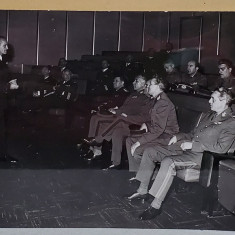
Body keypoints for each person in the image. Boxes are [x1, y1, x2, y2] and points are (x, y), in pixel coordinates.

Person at [127, 87, 235, 220]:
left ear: (224, 101)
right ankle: (142, 191)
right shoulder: (209, 115)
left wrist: (194, 145)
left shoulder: (231, 122)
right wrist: (178, 136)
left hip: (202, 157)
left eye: (213, 98)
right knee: (150, 151)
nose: (209, 101)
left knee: (168, 162)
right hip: (186, 149)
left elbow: (221, 148)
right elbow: (192, 134)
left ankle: (155, 206)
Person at [85, 75, 153, 167]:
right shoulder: (133, 94)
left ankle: (97, 140)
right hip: (126, 119)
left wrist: (125, 116)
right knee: (117, 131)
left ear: (144, 85)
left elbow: (142, 116)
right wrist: (117, 111)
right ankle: (115, 162)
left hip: (135, 124)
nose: (133, 83)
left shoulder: (146, 99)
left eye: (136, 81)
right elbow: (125, 108)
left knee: (116, 120)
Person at [126, 76, 179, 173]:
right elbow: (156, 120)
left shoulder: (163, 102)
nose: (148, 86)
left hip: (166, 137)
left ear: (158, 86)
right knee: (129, 141)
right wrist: (147, 124)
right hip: (159, 133)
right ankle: (136, 172)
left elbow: (158, 129)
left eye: (151, 84)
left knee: (137, 149)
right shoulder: (157, 100)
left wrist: (138, 143)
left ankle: (150, 176)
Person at [0, 36, 19, 162]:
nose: (7, 47)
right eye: (4, 45)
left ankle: (2, 155)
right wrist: (8, 86)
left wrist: (9, 81)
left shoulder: (2, 61)